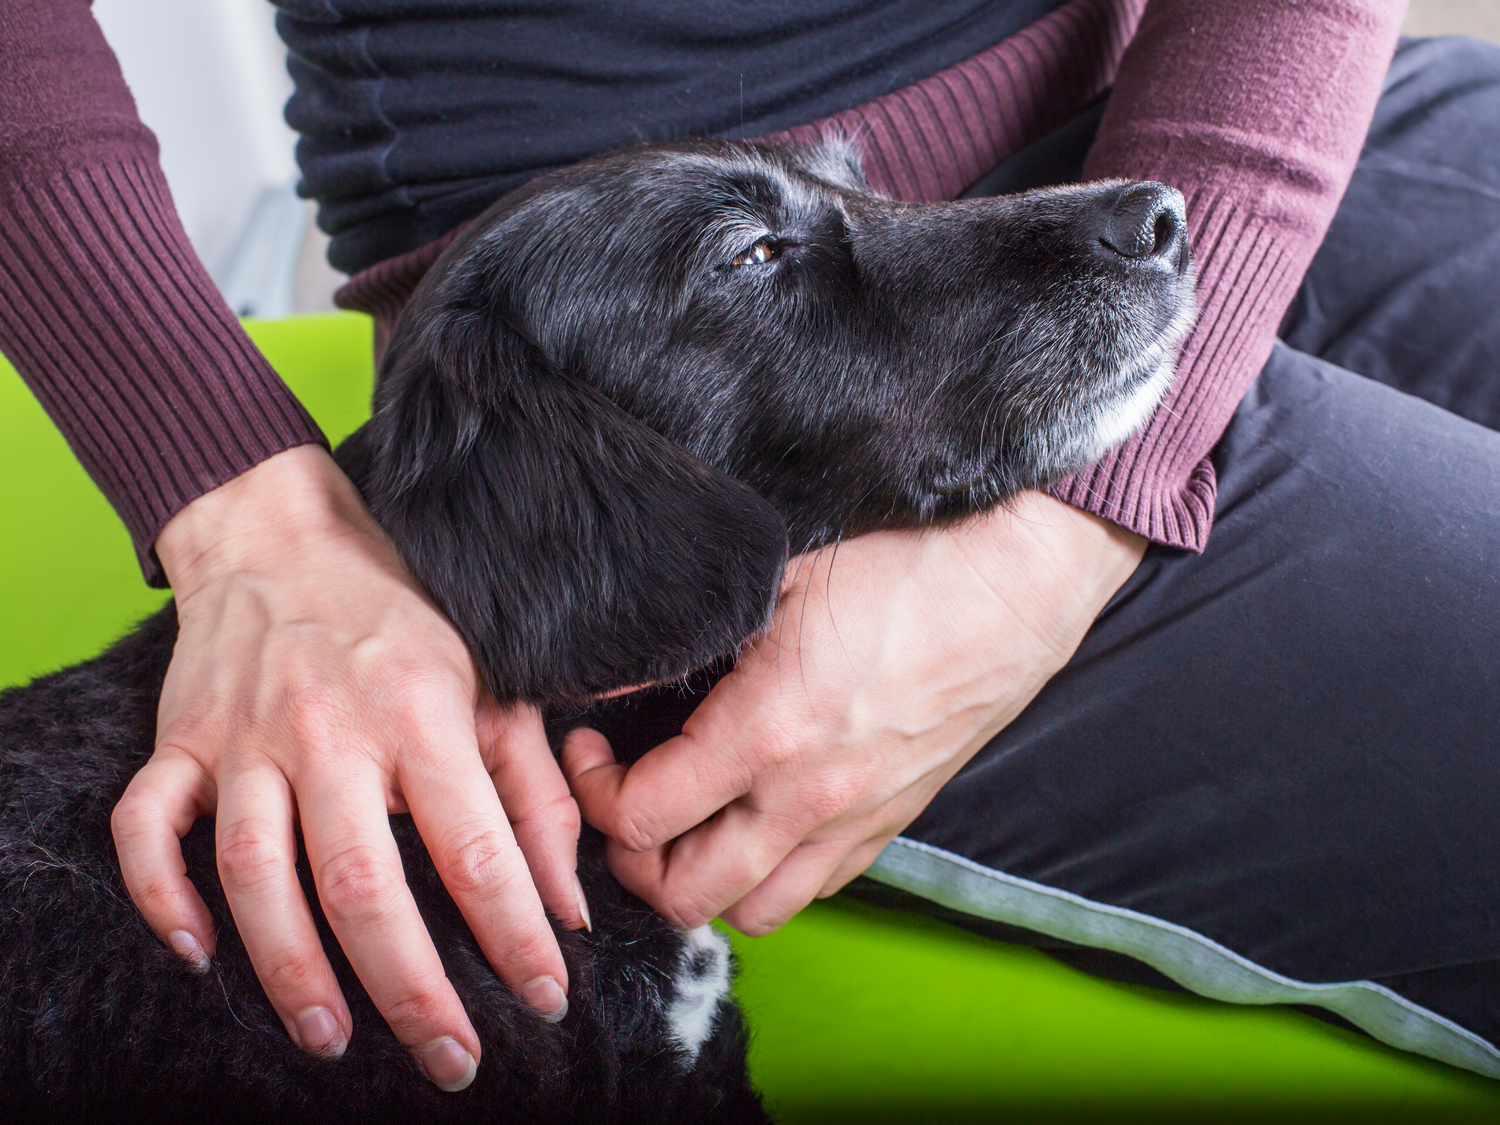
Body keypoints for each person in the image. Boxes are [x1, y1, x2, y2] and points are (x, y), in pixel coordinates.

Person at [4, 0, 1496, 1093]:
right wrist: (237, 503)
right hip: (658, 402)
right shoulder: (578, 453)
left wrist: (1067, 528)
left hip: (1187, 95)